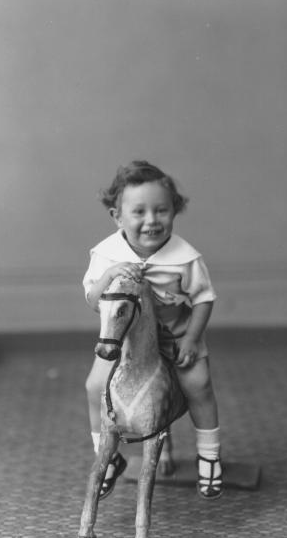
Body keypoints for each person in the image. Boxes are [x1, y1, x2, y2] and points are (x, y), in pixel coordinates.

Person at [83, 160, 222, 500]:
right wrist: (109, 274)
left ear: (175, 211)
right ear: (117, 215)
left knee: (198, 385)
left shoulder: (185, 258)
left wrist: (191, 338)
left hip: (176, 336)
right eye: (139, 212)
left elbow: (204, 298)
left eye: (161, 210)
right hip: (128, 343)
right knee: (95, 386)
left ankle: (210, 456)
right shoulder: (105, 255)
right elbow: (93, 300)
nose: (151, 221)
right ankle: (109, 457)